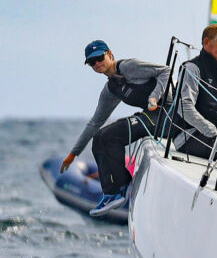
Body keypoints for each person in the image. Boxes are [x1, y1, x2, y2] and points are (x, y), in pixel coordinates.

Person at [61, 40, 171, 216]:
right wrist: (73, 154)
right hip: (152, 117)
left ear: (110, 54)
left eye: (99, 57)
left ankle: (122, 185)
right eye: (92, 62)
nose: (97, 63)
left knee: (110, 136)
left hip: (169, 115)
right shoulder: (111, 89)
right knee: (99, 138)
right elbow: (95, 122)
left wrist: (154, 97)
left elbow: (165, 70)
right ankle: (111, 193)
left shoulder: (129, 67)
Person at [170, 24, 217, 158]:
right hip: (190, 136)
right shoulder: (192, 68)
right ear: (206, 43)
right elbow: (184, 107)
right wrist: (211, 131)